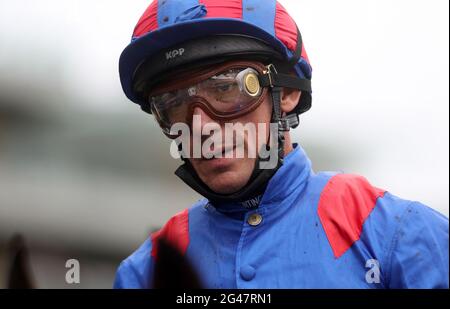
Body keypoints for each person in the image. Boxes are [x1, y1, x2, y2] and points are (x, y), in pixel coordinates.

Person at [113, 0, 448, 289]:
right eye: (173, 103)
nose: (200, 126)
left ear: (287, 92)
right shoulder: (146, 271)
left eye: (226, 88)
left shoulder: (396, 233)